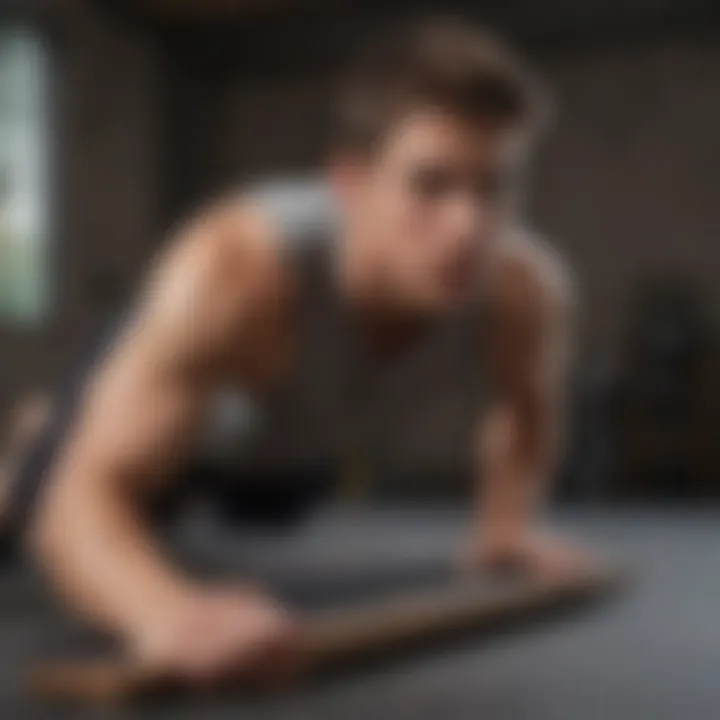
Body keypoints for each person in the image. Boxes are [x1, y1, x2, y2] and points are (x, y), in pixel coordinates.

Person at [2, 19, 595, 688]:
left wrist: (504, 528)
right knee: (36, 500)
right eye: (430, 185)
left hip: (278, 452)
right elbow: (79, 500)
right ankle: (37, 438)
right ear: (350, 183)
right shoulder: (235, 272)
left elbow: (525, 409)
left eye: (495, 188)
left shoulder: (524, 292)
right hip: (187, 409)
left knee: (276, 500)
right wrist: (163, 613)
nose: (469, 227)